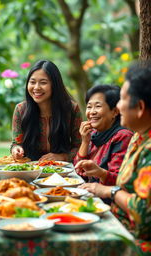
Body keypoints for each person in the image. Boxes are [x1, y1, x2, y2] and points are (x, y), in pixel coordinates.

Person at [78, 62, 151, 255]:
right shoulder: (138, 137)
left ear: (140, 107)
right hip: (117, 222)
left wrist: (107, 190)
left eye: (122, 100)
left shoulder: (143, 146)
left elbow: (143, 213)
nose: (118, 105)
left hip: (136, 240)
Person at [11, 60, 82, 161]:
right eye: (32, 82)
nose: (36, 87)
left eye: (43, 83)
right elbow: (16, 144)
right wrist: (16, 149)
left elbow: (80, 146)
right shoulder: (21, 109)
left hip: (63, 171)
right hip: (30, 169)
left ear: (55, 85)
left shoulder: (71, 109)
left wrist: (62, 157)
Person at [74, 85, 133, 185]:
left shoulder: (123, 136)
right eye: (89, 107)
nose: (92, 112)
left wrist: (101, 173)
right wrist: (84, 142)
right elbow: (77, 173)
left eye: (98, 106)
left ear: (114, 112)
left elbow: (120, 181)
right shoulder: (92, 133)